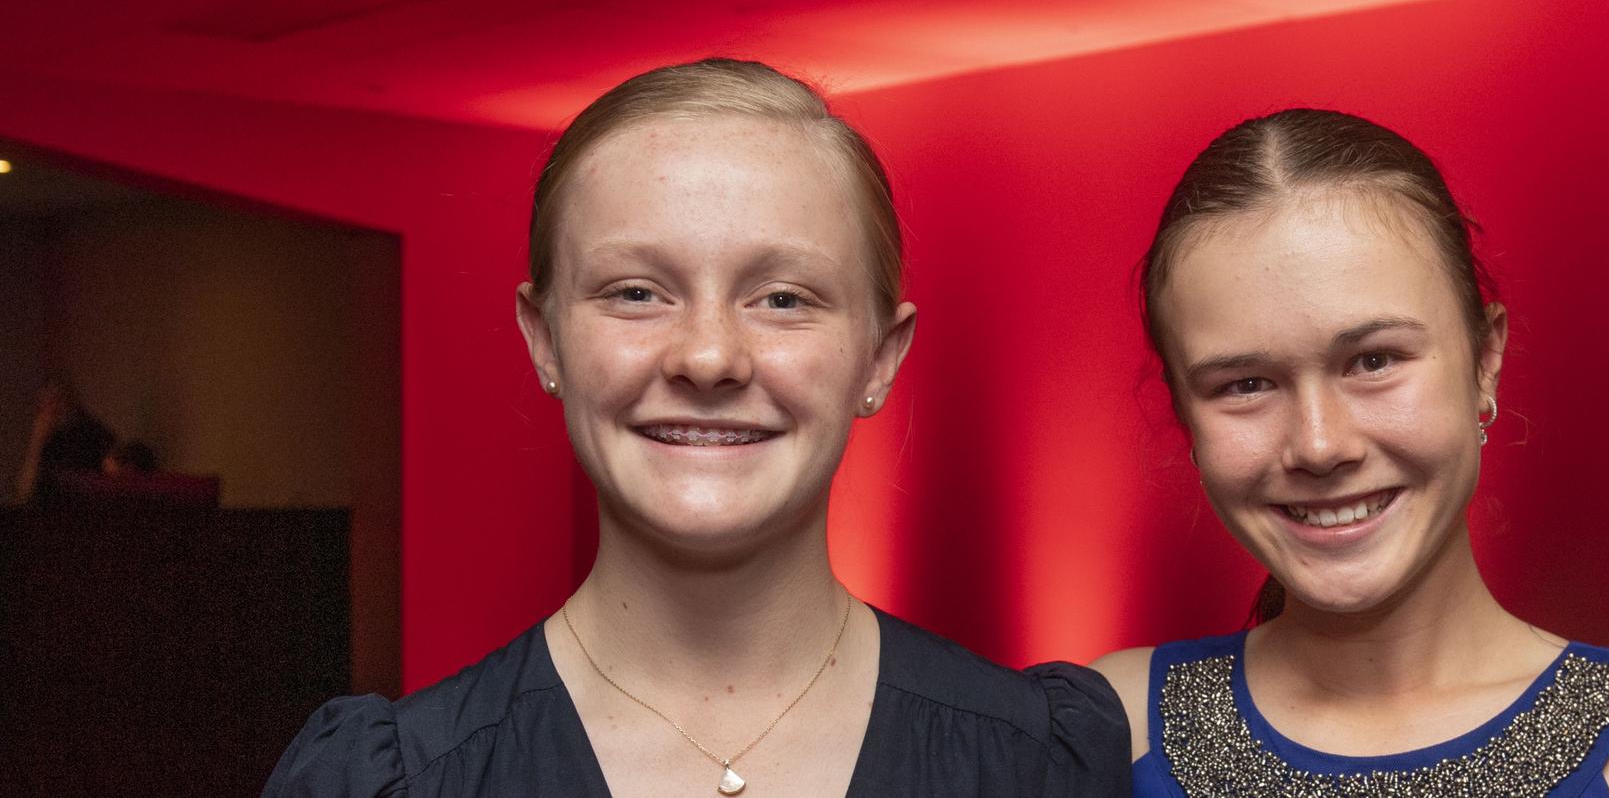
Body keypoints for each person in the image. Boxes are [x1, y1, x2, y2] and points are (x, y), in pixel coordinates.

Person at [265, 59, 1127, 797]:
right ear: (545, 338)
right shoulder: (392, 779)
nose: (709, 355)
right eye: (636, 292)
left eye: (782, 298)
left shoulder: (1035, 763)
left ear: (879, 357)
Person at [1092, 109, 1609, 797]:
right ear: (1185, 414)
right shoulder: (1100, 731)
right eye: (1244, 384)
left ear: (1485, 358)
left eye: (1372, 360)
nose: (1318, 443)